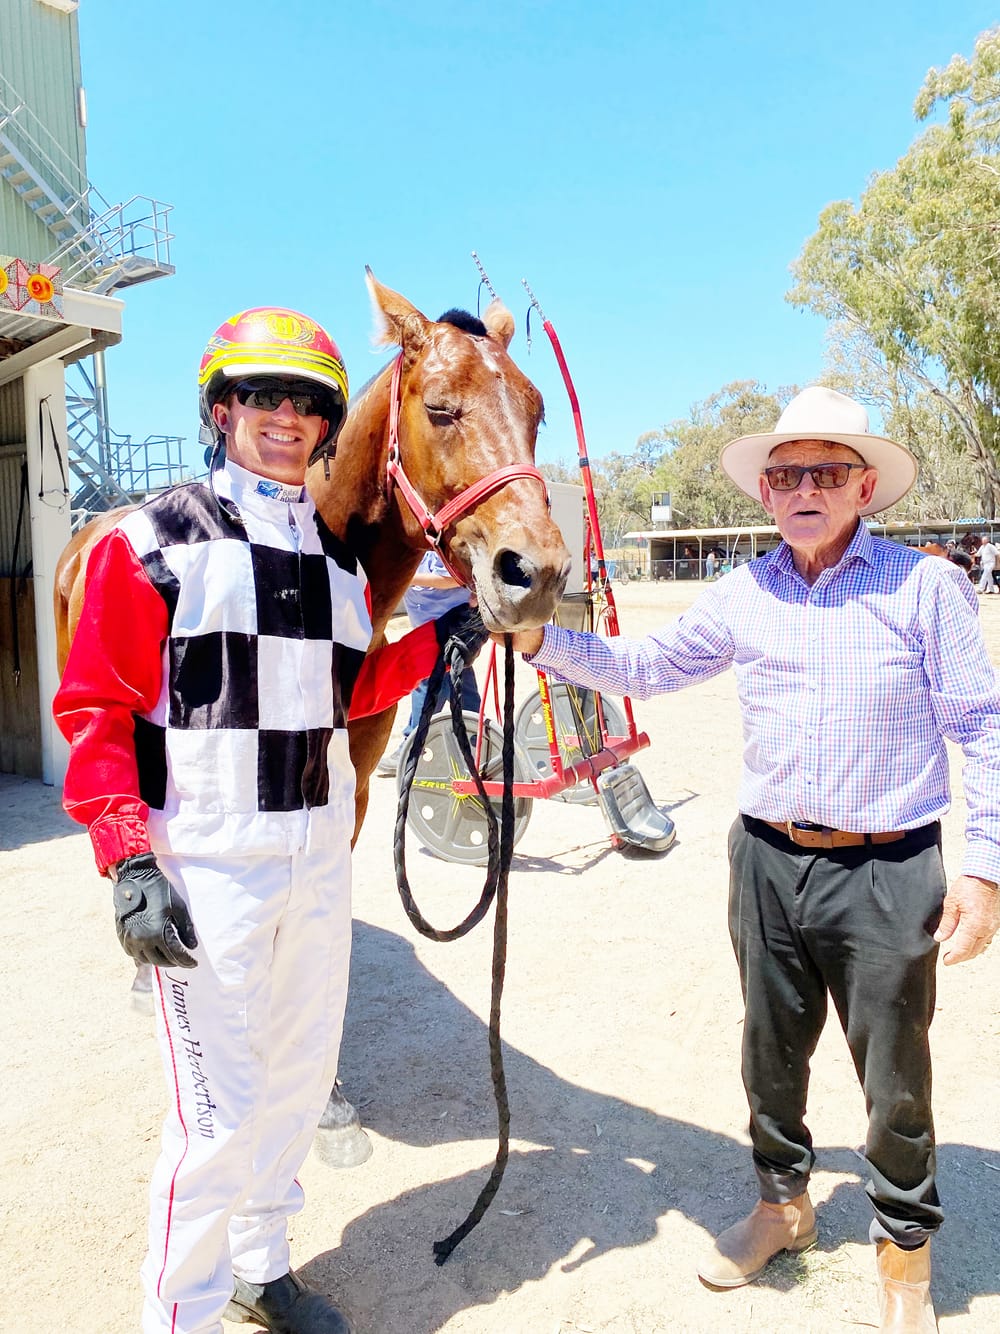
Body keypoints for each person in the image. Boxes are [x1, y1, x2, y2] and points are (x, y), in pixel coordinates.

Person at [501, 385, 1000, 1333]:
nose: (804, 489)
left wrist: (985, 871)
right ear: (765, 493)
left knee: (896, 1074)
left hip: (888, 869)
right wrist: (537, 638)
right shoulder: (744, 591)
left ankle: (904, 1250)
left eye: (826, 471)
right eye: (785, 475)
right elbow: (648, 667)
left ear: (864, 487)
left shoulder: (923, 587)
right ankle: (784, 1207)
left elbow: (984, 727)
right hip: (767, 860)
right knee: (769, 1052)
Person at [53, 307, 484, 1334]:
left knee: (295, 1082)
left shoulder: (336, 565)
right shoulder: (146, 542)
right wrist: (128, 861)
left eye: (307, 402)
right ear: (222, 408)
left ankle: (260, 1265)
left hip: (315, 860)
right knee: (213, 1115)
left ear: (330, 424)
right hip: (209, 866)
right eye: (262, 395)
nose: (285, 416)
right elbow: (95, 708)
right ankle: (180, 1315)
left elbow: (347, 689)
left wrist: (440, 639)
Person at [377, 548, 483, 775]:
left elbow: (451, 579)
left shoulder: (440, 548)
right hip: (429, 630)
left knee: (427, 684)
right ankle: (476, 738)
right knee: (461, 683)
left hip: (449, 626)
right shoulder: (409, 550)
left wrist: (407, 577)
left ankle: (414, 745)